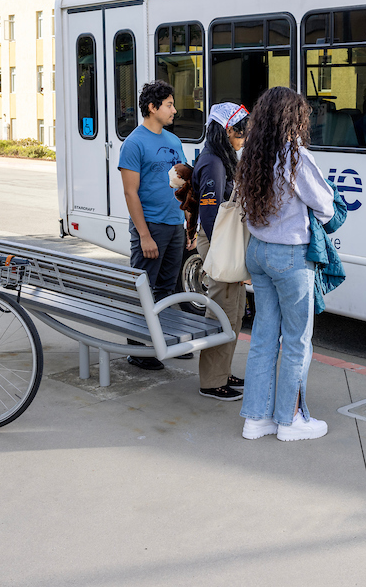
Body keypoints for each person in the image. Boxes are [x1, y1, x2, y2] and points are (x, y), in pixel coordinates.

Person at [238, 87, 336, 441]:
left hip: (259, 252)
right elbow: (326, 205)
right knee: (297, 341)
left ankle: (256, 419)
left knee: (264, 336)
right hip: (290, 257)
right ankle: (290, 419)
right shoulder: (296, 156)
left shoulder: (251, 153)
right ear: (294, 119)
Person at [118, 80, 189, 370]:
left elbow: (185, 184)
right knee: (144, 290)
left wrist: (190, 224)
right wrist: (144, 235)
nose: (174, 110)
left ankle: (168, 341)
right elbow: (130, 192)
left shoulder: (173, 141)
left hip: (175, 225)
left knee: (168, 288)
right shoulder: (134, 143)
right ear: (152, 107)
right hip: (152, 227)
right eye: (169, 104)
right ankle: (139, 350)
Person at [192, 102, 251, 401]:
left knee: (235, 310)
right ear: (228, 130)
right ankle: (212, 382)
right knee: (222, 312)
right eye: (241, 132)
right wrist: (221, 253)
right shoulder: (213, 162)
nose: (243, 138)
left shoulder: (221, 158)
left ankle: (223, 371)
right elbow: (210, 214)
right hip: (219, 241)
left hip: (224, 241)